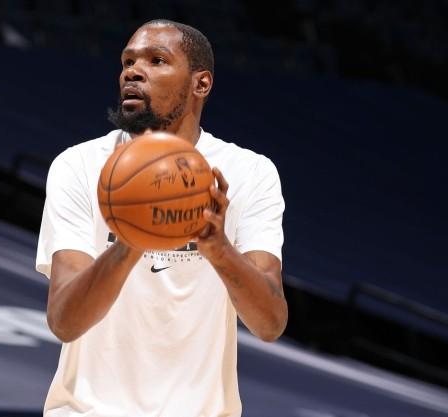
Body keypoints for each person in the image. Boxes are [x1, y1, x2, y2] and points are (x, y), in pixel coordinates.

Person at [36, 19, 287, 417]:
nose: (133, 72)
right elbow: (65, 321)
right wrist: (132, 239)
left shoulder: (250, 173)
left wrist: (219, 249)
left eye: (156, 60)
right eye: (128, 61)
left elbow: (270, 323)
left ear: (200, 84)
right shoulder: (79, 166)